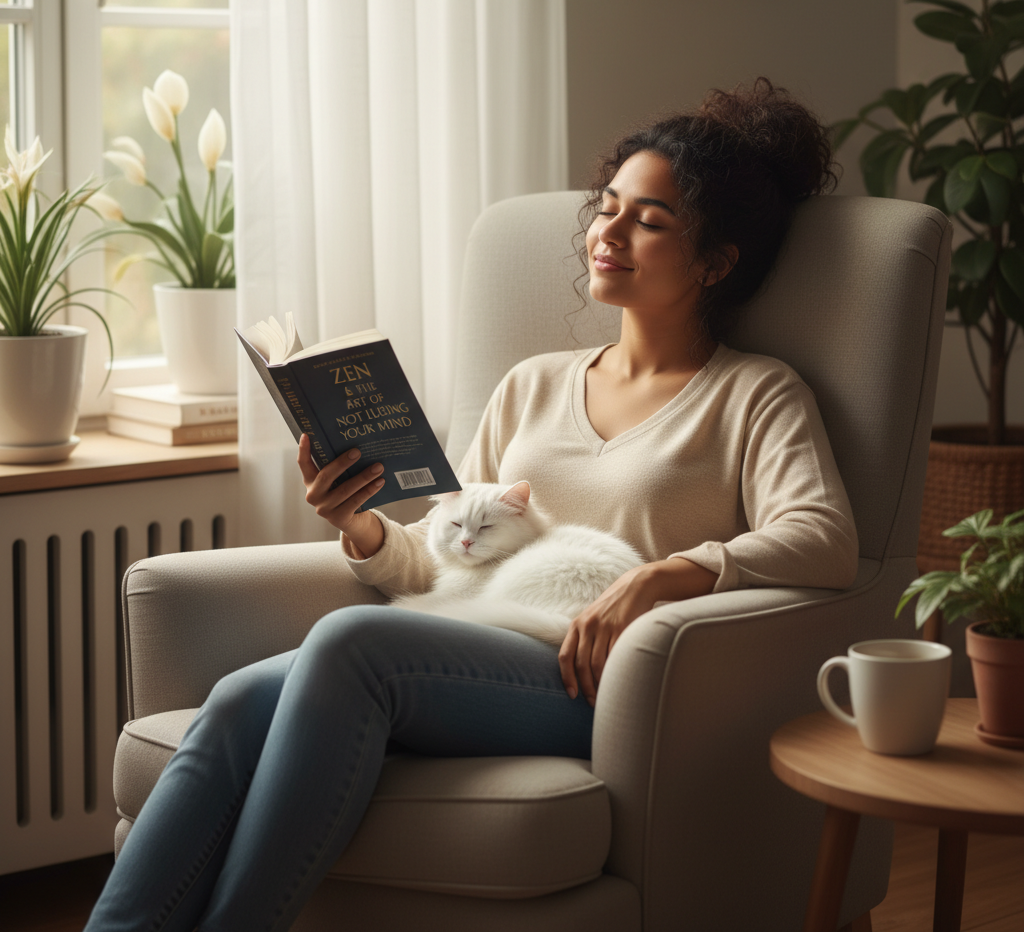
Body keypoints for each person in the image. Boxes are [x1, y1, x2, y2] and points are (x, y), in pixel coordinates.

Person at [84, 78, 858, 932]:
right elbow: (439, 554)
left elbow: (823, 538)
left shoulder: (754, 394)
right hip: (463, 646)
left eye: (650, 220)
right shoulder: (531, 384)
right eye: (607, 209)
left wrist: (669, 576)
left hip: (596, 678)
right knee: (234, 699)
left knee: (351, 642)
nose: (609, 234)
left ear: (715, 261)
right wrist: (360, 524)